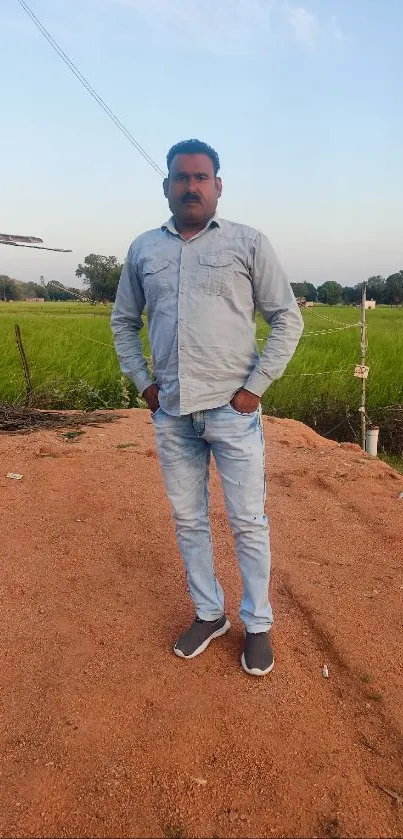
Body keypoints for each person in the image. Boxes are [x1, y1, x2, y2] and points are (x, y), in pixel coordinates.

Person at [111, 139, 303, 676]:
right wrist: (143, 383)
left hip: (232, 410)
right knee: (189, 519)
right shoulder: (144, 249)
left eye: (201, 177)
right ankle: (208, 612)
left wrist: (255, 387)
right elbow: (124, 321)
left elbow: (287, 317)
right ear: (166, 185)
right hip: (171, 412)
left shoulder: (248, 242)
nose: (191, 186)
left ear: (218, 185)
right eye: (181, 177)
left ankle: (257, 623)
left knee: (247, 521)